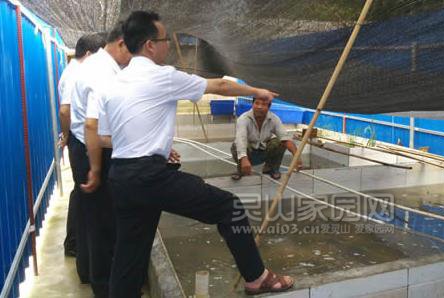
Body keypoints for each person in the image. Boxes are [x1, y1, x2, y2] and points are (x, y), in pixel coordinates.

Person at [100, 10, 294, 297]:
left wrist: (155, 149)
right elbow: (220, 85)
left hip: (121, 177)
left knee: (129, 254)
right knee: (230, 208)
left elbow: (107, 136)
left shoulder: (114, 83)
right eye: (166, 39)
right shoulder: (161, 76)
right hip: (149, 176)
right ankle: (257, 277)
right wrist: (258, 90)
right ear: (150, 45)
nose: (169, 45)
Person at [70, 22, 132, 297]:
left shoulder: (97, 66)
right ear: (121, 43)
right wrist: (96, 168)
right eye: (133, 50)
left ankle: (96, 278)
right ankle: (105, 288)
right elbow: (96, 130)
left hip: (87, 147)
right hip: (93, 151)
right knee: (103, 224)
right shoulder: (103, 73)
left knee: (94, 220)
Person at [58, 33, 105, 260]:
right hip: (80, 140)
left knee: (82, 195)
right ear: (89, 54)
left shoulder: (73, 71)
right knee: (85, 198)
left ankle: (79, 251)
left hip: (78, 138)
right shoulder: (76, 72)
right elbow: (64, 110)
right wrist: (67, 136)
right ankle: (76, 246)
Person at [231, 97, 302, 180]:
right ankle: (241, 170)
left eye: (264, 104)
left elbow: (285, 138)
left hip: (263, 151)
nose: (259, 107)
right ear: (252, 104)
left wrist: (297, 156)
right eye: (257, 103)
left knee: (280, 142)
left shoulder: (274, 119)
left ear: (269, 107)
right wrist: (244, 158)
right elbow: (241, 140)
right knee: (236, 145)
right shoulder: (243, 119)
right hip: (248, 153)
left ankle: (270, 168)